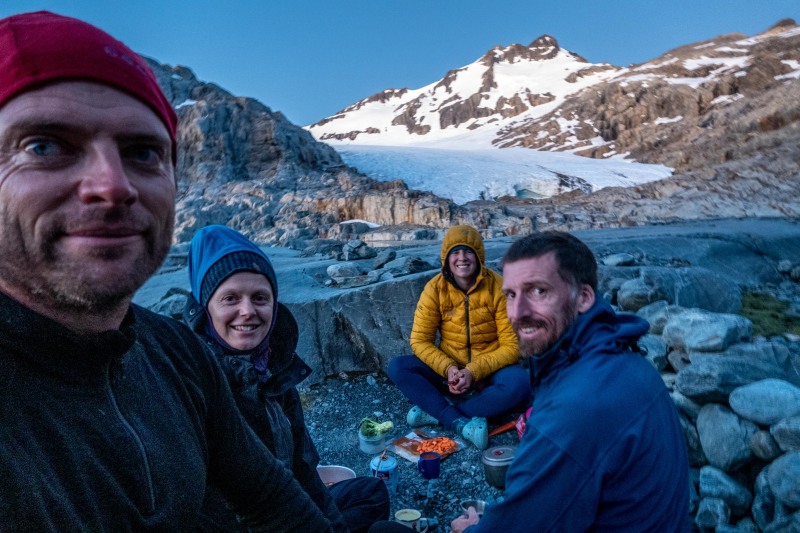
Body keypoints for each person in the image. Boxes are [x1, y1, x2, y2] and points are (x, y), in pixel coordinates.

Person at [0, 11, 334, 531]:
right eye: (44, 145)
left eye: (142, 152)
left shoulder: (175, 352)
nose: (113, 185)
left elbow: (273, 495)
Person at [450, 231, 691, 532]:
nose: (517, 313)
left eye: (538, 291)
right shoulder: (624, 358)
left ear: (584, 297)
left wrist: (470, 529)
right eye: (511, 294)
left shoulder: (577, 406)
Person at [185, 224, 390, 532]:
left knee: (371, 493)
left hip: (292, 504)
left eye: (259, 297)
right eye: (230, 298)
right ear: (207, 306)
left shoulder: (273, 369)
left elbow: (304, 468)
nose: (247, 311)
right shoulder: (194, 384)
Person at [388, 225, 529, 450]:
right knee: (398, 367)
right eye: (455, 252)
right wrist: (449, 369)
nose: (461, 258)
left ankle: (440, 412)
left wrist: (473, 372)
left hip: (488, 369)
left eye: (468, 251)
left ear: (478, 256)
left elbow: (512, 345)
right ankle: (463, 417)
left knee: (521, 382)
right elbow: (419, 340)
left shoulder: (498, 287)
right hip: (449, 369)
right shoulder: (435, 289)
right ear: (446, 258)